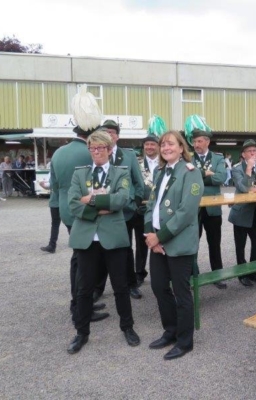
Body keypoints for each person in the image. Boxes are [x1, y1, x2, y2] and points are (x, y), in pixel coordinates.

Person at [66, 130, 140, 354]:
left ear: (109, 149)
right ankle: (82, 332)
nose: (96, 151)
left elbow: (121, 200)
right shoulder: (80, 174)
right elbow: (72, 203)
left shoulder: (120, 173)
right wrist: (101, 207)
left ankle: (127, 327)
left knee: (120, 287)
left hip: (113, 238)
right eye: (92, 148)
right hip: (87, 240)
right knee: (84, 289)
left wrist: (89, 200)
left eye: (100, 148)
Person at [144, 130, 204, 360]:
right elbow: (150, 205)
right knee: (159, 288)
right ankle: (170, 331)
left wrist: (159, 237)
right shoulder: (160, 172)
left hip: (177, 243)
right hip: (157, 242)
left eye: (171, 144)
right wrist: (150, 235)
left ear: (181, 148)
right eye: (163, 144)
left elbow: (186, 212)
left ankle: (185, 341)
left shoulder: (191, 172)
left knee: (181, 293)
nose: (166, 148)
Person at [50, 105, 109, 323]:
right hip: (85, 211)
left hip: (67, 210)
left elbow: (54, 186)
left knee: (79, 258)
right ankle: (80, 305)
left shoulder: (58, 152)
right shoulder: (90, 153)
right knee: (84, 262)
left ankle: (82, 302)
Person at [93, 119, 145, 301]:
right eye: (105, 132)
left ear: (117, 136)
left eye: (112, 132)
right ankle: (98, 288)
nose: (108, 135)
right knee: (102, 249)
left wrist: (135, 203)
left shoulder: (128, 155)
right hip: (103, 211)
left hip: (126, 211)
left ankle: (131, 284)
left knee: (126, 249)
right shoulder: (96, 153)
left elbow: (138, 182)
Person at [229, 139, 256, 287]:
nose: (253, 153)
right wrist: (248, 169)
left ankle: (253, 272)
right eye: (249, 151)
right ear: (243, 154)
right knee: (240, 245)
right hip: (241, 212)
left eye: (255, 150)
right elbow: (243, 188)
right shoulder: (237, 169)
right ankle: (242, 274)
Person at [192, 129, 228, 289]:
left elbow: (221, 177)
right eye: (194, 141)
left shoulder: (217, 158)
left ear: (207, 142)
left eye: (199, 141)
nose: (196, 144)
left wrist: (197, 177)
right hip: (193, 208)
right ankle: (193, 275)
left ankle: (217, 275)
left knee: (214, 243)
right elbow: (186, 178)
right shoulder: (188, 158)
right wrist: (205, 173)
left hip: (213, 208)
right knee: (192, 244)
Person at [135, 134, 161, 286]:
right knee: (141, 244)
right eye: (147, 144)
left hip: (160, 209)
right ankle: (139, 273)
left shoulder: (164, 162)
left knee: (161, 240)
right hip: (142, 209)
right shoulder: (137, 163)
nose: (149, 147)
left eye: (152, 144)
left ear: (158, 146)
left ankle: (162, 273)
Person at [40, 170, 61, 254]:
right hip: (55, 201)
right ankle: (52, 245)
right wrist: (43, 185)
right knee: (55, 223)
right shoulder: (52, 171)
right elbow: (49, 186)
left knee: (70, 223)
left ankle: (78, 242)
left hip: (62, 201)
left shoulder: (61, 171)